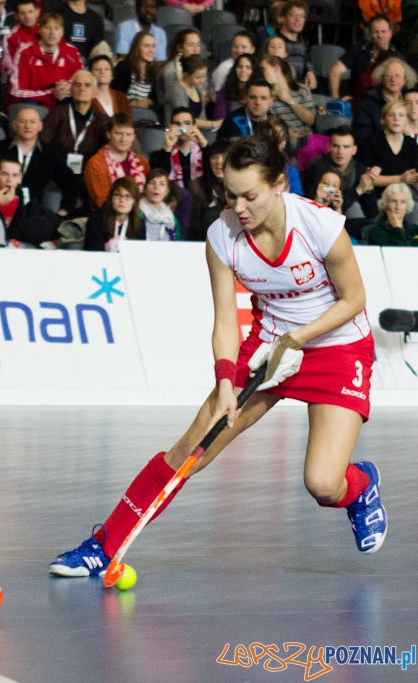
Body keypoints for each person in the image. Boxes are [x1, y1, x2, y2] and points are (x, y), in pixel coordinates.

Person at [51, 131, 386, 580]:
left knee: (324, 484)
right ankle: (103, 546)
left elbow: (354, 299)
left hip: (338, 346)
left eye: (249, 196)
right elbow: (227, 320)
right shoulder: (222, 235)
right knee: (192, 450)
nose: (239, 208)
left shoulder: (319, 226)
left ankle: (361, 486)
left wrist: (297, 339)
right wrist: (227, 381)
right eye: (231, 195)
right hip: (267, 349)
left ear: (279, 186)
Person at [0, 105, 80, 215]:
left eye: (32, 122)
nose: (28, 126)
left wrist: (64, 210)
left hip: (32, 215)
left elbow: (72, 184)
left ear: (40, 126)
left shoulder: (51, 154)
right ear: (14, 125)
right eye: (23, 121)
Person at [302, 126, 379, 219]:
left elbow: (372, 212)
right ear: (329, 147)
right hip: (320, 218)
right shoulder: (318, 168)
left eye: (346, 147)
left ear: (354, 150)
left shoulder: (360, 170)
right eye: (336, 146)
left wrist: (369, 189)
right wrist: (359, 190)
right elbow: (329, 207)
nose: (340, 152)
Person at [9, 12, 83, 108]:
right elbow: (16, 92)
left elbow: (82, 81)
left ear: (62, 32)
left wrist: (69, 88)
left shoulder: (72, 52)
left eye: (57, 28)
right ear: (40, 30)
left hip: (64, 102)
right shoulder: (25, 53)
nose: (52, 33)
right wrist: (51, 94)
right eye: (47, 28)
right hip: (35, 106)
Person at [83, 112, 148, 210]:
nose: (123, 139)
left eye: (128, 134)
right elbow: (102, 202)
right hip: (108, 218)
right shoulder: (95, 164)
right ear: (108, 134)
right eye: (118, 133)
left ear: (134, 137)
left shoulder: (142, 162)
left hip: (141, 215)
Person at [357, 100, 418, 202]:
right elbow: (367, 179)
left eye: (401, 115)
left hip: (405, 198)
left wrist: (415, 179)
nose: (396, 119)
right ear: (383, 120)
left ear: (407, 120)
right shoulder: (371, 142)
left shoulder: (411, 143)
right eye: (391, 115)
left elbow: (414, 173)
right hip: (376, 197)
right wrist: (400, 179)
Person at [328, 14, 393, 101]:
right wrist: (336, 100)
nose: (380, 36)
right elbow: (334, 71)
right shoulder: (358, 50)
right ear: (370, 33)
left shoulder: (396, 58)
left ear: (390, 33)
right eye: (375, 32)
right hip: (357, 101)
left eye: (383, 31)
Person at [353, 56, 416, 144]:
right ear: (382, 78)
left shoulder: (410, 102)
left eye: (398, 75)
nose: (393, 79)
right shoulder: (366, 105)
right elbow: (362, 138)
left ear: (405, 80)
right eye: (389, 75)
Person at [149, 107, 206, 188]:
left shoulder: (202, 153)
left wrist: (203, 143)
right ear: (172, 127)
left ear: (194, 126)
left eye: (187, 123)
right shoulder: (160, 154)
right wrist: (167, 147)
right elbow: (158, 179)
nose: (183, 127)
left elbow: (212, 171)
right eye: (178, 124)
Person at [260, 55, 315, 140]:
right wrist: (295, 137)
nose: (261, 73)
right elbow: (273, 126)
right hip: (285, 140)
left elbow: (310, 120)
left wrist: (290, 100)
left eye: (263, 69)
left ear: (276, 68)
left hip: (308, 139)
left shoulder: (302, 89)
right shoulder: (267, 96)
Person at [82, 176, 143, 251]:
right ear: (110, 198)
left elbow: (139, 255)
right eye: (117, 195)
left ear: (135, 201)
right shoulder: (97, 220)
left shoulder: (140, 225)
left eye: (128, 196)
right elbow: (95, 254)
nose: (122, 200)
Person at [187, 138, 230, 240]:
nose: (219, 162)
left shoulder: (240, 185)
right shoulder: (197, 186)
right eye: (214, 157)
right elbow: (193, 226)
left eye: (223, 157)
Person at [112, 31, 159, 110]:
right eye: (147, 46)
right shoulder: (124, 67)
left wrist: (150, 102)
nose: (151, 50)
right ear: (137, 48)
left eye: (153, 46)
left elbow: (155, 100)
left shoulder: (152, 71)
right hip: (125, 114)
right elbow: (116, 97)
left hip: (145, 114)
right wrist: (136, 103)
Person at [275, 0, 316, 90]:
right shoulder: (274, 40)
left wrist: (309, 71)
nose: (298, 19)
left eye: (302, 16)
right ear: (283, 18)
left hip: (300, 87)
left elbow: (305, 60)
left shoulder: (301, 41)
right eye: (293, 15)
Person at [211, 30, 255, 97]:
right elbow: (218, 97)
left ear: (252, 50)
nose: (239, 50)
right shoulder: (224, 69)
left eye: (243, 47)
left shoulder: (255, 65)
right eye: (235, 46)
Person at [139, 168, 179, 241]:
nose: (156, 187)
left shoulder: (171, 219)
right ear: (144, 188)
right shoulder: (136, 214)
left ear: (167, 191)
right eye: (152, 183)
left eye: (162, 184)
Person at [215, 54, 254, 121]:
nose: (243, 70)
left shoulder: (259, 91)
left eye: (248, 67)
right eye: (240, 67)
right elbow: (220, 118)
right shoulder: (224, 92)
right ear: (235, 69)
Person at [4, 0, 39, 74]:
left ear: (37, 12)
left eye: (30, 12)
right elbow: (12, 69)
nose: (27, 16)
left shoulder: (48, 31)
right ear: (16, 16)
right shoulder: (10, 38)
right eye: (23, 13)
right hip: (23, 79)